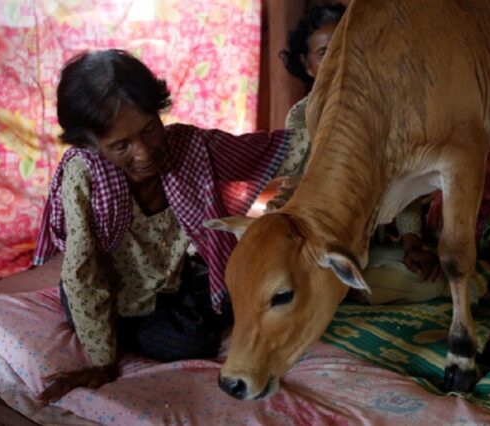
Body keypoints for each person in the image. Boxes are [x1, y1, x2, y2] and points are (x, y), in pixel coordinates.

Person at [33, 49, 308, 403]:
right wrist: (103, 362)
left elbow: (272, 151)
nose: (144, 154)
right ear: (88, 143)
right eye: (121, 146)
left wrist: (334, 128)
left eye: (149, 129)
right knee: (187, 340)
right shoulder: (83, 175)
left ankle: (134, 327)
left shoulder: (188, 146)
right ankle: (108, 328)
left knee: (228, 296)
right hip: (105, 290)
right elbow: (82, 273)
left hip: (169, 283)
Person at [272, 3, 446, 304]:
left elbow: (401, 187)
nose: (339, 61)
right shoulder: (300, 118)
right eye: (325, 53)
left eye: (347, 48)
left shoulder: (385, 114)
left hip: (378, 246)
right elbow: (294, 184)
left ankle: (334, 289)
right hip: (323, 241)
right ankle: (335, 285)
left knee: (431, 282)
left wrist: (411, 247)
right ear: (306, 64)